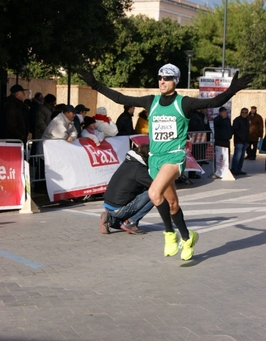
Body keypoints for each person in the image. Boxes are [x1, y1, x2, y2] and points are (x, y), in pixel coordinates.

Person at [79, 64, 252, 260]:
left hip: (174, 157)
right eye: (160, 77)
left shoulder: (183, 103)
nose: (162, 81)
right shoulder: (150, 101)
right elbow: (120, 98)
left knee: (154, 193)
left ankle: (170, 234)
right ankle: (187, 238)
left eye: (167, 78)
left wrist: (233, 89)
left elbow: (213, 102)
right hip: (155, 159)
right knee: (172, 205)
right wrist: (95, 84)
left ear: (175, 81)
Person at [100, 144, 153, 235]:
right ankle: (131, 222)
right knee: (156, 192)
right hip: (119, 209)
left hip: (109, 205)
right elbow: (154, 184)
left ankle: (111, 219)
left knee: (119, 225)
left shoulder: (129, 162)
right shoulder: (139, 169)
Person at [230, 107, 249, 176]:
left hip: (244, 141)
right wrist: (240, 137)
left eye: (245, 112)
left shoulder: (247, 121)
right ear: (240, 113)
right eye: (243, 112)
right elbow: (235, 130)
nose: (244, 114)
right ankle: (234, 169)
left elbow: (247, 132)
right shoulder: (237, 120)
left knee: (242, 157)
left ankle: (239, 169)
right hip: (239, 141)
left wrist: (247, 141)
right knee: (237, 156)